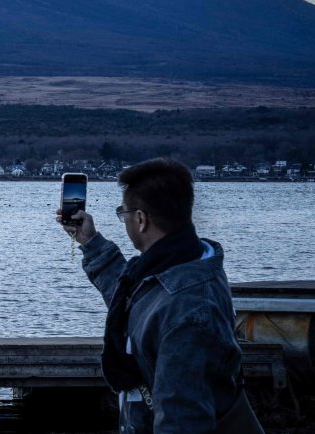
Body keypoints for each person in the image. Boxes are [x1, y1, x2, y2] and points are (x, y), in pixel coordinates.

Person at [58, 158, 263, 433]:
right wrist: (91, 243)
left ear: (141, 220)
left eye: (124, 214)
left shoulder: (188, 312)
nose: (125, 221)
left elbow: (182, 421)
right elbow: (137, 303)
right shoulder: (187, 263)